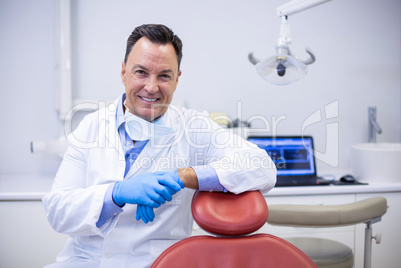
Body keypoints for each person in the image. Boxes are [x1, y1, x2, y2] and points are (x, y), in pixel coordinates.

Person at [42, 24, 276, 268]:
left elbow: (263, 166)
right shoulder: (91, 126)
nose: (152, 87)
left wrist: (183, 176)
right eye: (141, 72)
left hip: (158, 262)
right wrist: (116, 193)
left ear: (177, 80)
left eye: (164, 75)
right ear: (123, 72)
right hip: (86, 261)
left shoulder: (193, 127)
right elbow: (58, 211)